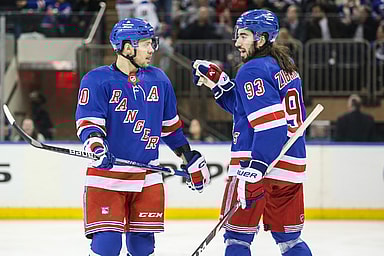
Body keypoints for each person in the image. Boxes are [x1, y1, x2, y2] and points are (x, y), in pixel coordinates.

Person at [75, 18, 210, 256]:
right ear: (127, 48)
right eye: (146, 44)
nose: (152, 49)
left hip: (148, 176)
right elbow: (89, 124)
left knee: (142, 248)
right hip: (107, 178)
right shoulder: (96, 80)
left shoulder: (159, 80)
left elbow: (171, 130)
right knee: (106, 247)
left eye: (152, 43)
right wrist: (97, 147)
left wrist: (189, 157)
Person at [192, 9, 312, 256]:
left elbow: (271, 126)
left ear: (262, 38)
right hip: (290, 167)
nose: (237, 42)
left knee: (237, 239)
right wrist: (220, 84)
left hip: (257, 163)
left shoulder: (252, 70)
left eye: (244, 36)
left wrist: (256, 165)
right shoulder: (285, 67)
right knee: (289, 241)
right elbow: (244, 109)